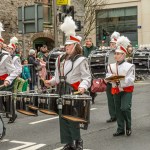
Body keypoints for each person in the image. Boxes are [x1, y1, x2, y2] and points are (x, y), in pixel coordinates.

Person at [45, 16, 91, 150]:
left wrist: (83, 87)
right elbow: (57, 77)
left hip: (73, 90)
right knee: (63, 117)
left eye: (69, 45)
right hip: (61, 90)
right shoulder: (60, 59)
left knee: (72, 117)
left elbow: (87, 77)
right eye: (66, 45)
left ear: (76, 46)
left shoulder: (81, 60)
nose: (66, 47)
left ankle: (78, 141)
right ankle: (68, 142)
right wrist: (51, 82)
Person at [106, 36, 135, 136]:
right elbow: (107, 77)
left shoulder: (130, 66)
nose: (116, 56)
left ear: (123, 55)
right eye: (116, 54)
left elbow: (131, 80)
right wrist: (113, 78)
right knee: (118, 109)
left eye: (118, 54)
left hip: (126, 90)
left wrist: (119, 78)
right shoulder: (111, 66)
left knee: (125, 108)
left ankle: (129, 126)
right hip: (116, 89)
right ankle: (120, 128)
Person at [0, 22, 18, 139]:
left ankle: (1, 129)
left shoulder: (6, 57)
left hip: (2, 83)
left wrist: (8, 80)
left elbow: (14, 71)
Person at [106, 31, 120, 123]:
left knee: (117, 99)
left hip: (117, 79)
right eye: (111, 43)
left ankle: (119, 116)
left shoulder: (120, 53)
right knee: (110, 99)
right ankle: (112, 115)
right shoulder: (107, 54)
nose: (112, 45)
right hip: (108, 78)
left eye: (113, 43)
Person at [83, 37, 97, 104]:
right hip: (85, 67)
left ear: (91, 42)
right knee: (85, 82)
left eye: (89, 41)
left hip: (92, 67)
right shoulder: (83, 48)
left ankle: (92, 97)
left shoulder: (95, 49)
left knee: (91, 83)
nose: (87, 42)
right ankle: (86, 97)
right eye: (86, 41)